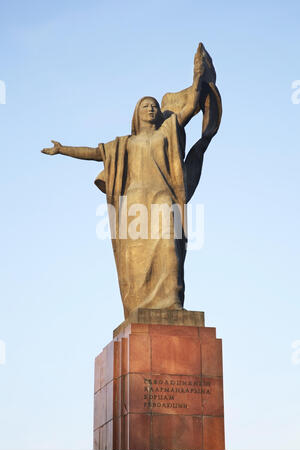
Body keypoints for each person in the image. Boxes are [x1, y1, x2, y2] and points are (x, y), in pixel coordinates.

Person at [42, 43, 222, 318]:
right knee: (137, 262)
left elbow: (190, 106)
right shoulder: (124, 144)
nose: (150, 110)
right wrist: (62, 149)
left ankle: (173, 301)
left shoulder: (168, 131)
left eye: (153, 106)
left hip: (162, 197)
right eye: (145, 107)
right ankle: (141, 306)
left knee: (169, 248)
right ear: (136, 115)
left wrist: (198, 77)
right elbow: (95, 153)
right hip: (136, 201)